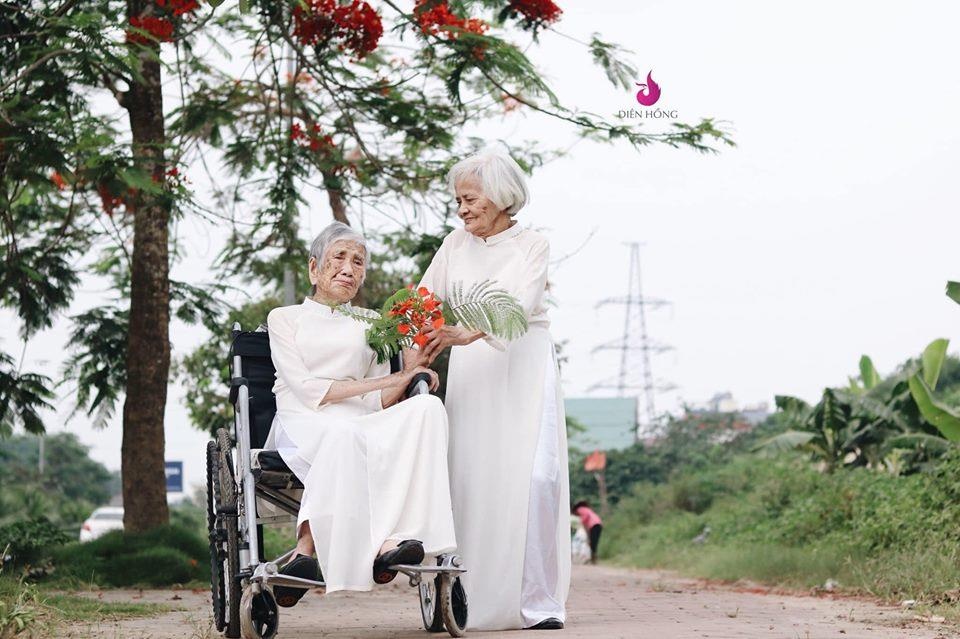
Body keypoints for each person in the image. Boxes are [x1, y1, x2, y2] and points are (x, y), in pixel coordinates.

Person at [263, 221, 457, 606]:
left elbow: (376, 403)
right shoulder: (283, 318)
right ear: (314, 268)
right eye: (339, 257)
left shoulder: (372, 323)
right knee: (345, 431)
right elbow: (308, 390)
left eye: (358, 261)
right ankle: (327, 548)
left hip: (358, 422)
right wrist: (395, 377)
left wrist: (411, 370)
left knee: (426, 408)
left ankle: (396, 538)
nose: (349, 268)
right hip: (303, 419)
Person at [418, 147, 571, 631]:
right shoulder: (454, 244)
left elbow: (518, 305)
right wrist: (415, 356)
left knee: (537, 480)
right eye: (458, 201)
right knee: (474, 477)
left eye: (469, 199)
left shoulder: (533, 245)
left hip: (525, 364)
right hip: (472, 371)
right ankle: (467, 597)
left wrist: (468, 331)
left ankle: (538, 604)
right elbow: (424, 302)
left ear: (502, 197)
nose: (462, 210)